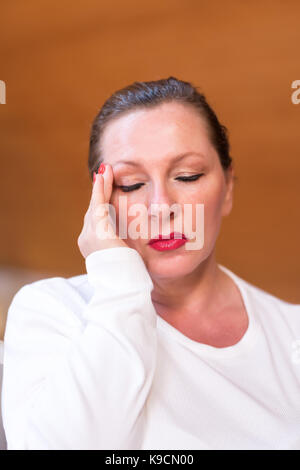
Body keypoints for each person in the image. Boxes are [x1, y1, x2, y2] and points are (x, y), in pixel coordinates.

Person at [2, 77, 300, 450]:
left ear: (228, 189)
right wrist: (119, 280)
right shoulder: (52, 311)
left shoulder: (292, 332)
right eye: (130, 184)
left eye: (187, 176)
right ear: (102, 203)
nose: (161, 206)